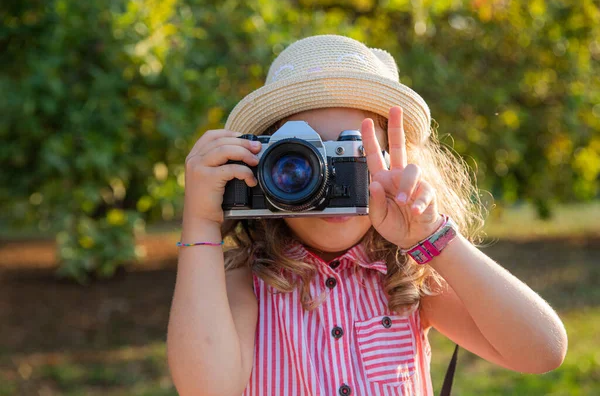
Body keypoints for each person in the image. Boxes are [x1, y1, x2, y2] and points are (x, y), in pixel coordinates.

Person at [166, 35, 568, 396]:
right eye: (298, 163)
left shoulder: (407, 278)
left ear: (398, 163)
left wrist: (432, 237)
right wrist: (201, 221)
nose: (324, 181)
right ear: (262, 170)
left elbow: (542, 352)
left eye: (351, 156)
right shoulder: (244, 286)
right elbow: (206, 389)